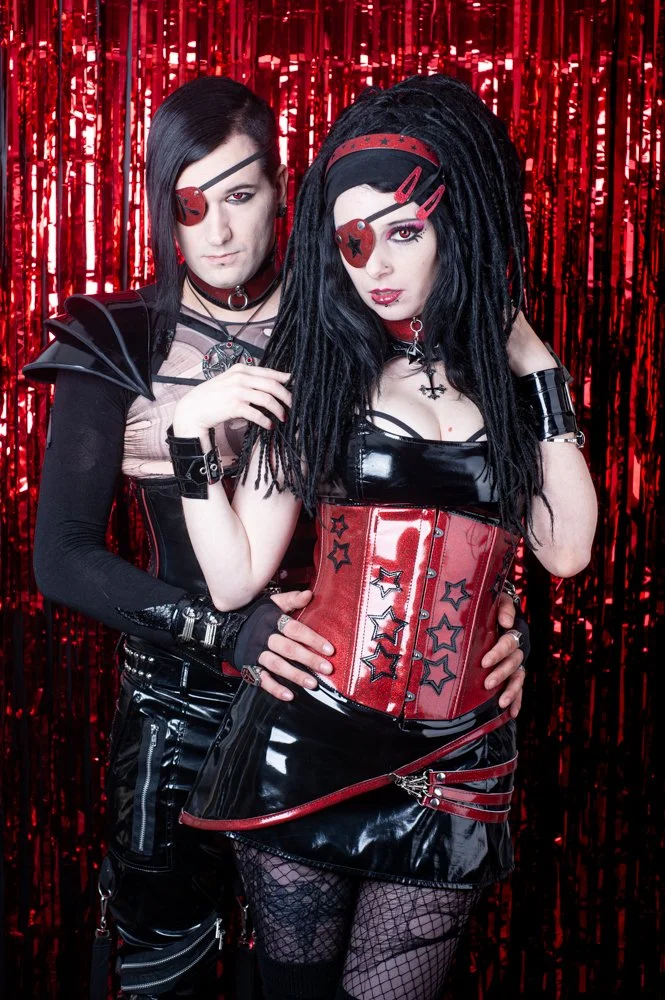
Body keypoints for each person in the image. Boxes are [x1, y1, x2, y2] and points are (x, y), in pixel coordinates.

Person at [24, 76, 528, 999]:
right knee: (163, 962)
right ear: (157, 204)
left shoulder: (351, 314)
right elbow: (59, 557)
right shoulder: (120, 339)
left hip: (350, 718)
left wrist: (494, 619)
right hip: (183, 711)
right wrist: (234, 631)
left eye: (242, 194)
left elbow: (458, 479)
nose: (216, 230)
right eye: (189, 201)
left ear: (284, 191)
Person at [170, 74, 598, 1000]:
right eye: (353, 241)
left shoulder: (503, 381)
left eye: (403, 230)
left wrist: (534, 362)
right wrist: (187, 442)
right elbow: (237, 576)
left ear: (457, 225)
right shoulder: (321, 373)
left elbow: (566, 548)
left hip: (452, 761)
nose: (376, 265)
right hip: (307, 739)